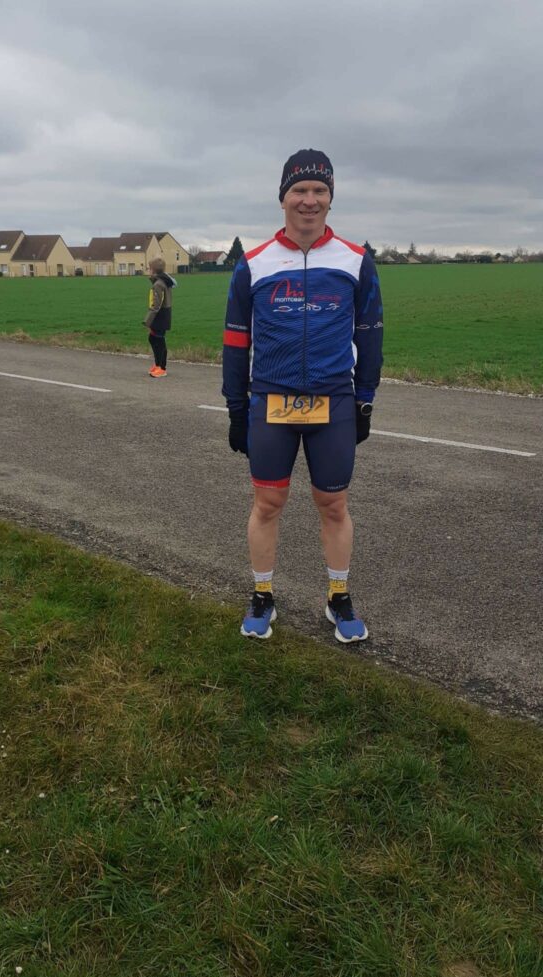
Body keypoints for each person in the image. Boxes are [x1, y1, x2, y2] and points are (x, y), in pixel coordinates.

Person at [222, 148, 383, 643]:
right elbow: (235, 341)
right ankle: (262, 595)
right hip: (271, 400)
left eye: (319, 190)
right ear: (283, 198)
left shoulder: (356, 261)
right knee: (267, 503)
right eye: (299, 190)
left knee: (333, 504)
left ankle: (338, 597)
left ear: (330, 198)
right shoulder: (253, 264)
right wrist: (235, 408)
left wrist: (365, 399)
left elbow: (370, 335)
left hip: (333, 401)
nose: (309, 200)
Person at [143, 257, 176, 378]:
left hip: (159, 316)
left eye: (149, 268)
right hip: (163, 314)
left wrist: (147, 321)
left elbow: (156, 306)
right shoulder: (163, 281)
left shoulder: (158, 284)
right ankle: (158, 365)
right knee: (154, 339)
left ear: (153, 270)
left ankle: (162, 368)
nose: (148, 270)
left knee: (158, 341)